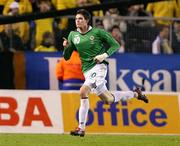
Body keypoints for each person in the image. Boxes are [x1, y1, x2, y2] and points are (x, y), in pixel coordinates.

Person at [63, 9, 148, 137]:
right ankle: (135, 94)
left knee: (83, 91)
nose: (77, 21)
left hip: (99, 67)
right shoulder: (72, 35)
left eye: (80, 18)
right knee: (108, 100)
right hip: (87, 71)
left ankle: (81, 127)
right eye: (76, 19)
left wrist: (104, 55)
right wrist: (66, 47)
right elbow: (66, 57)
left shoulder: (98, 32)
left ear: (86, 20)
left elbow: (115, 45)